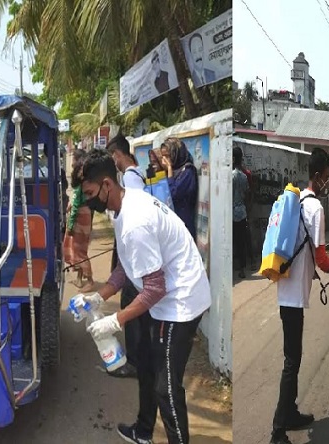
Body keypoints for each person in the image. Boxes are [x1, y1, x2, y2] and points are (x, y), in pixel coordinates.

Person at [77, 149, 211, 444]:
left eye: (89, 192)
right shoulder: (123, 207)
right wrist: (99, 297)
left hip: (181, 302)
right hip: (167, 295)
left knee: (166, 386)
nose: (88, 200)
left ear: (107, 185)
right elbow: (126, 267)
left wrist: (115, 321)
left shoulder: (135, 222)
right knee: (147, 368)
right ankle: (143, 430)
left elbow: (154, 288)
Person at [270, 148, 329, 444]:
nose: (328, 183)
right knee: (292, 359)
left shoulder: (299, 201)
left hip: (286, 288)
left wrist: (312, 271)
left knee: (294, 355)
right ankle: (278, 431)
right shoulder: (315, 208)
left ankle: (289, 413)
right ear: (317, 176)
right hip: (293, 295)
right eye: (327, 177)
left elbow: (302, 250)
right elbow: (321, 258)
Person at [106, 134, 145, 378]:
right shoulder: (138, 173)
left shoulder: (131, 178)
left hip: (134, 250)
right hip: (133, 248)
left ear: (119, 155)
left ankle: (135, 362)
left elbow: (134, 212)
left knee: (131, 304)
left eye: (112, 157)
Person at [64, 150, 94, 291]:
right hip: (86, 213)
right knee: (82, 248)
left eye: (73, 159)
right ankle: (79, 279)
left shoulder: (79, 179)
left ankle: (90, 280)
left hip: (80, 216)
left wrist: (69, 226)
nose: (71, 163)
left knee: (79, 250)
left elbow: (75, 205)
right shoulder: (87, 177)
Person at [160, 138, 198, 239]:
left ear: (176, 154)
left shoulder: (188, 171)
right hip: (171, 224)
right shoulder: (174, 171)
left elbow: (173, 194)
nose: (164, 160)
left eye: (167, 156)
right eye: (163, 156)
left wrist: (169, 169)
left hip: (183, 226)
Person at [233, 147, 250, 278]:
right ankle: (243, 267)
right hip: (242, 212)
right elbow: (247, 194)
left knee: (235, 241)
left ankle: (236, 265)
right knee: (242, 241)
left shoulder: (231, 176)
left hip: (232, 213)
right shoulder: (244, 176)